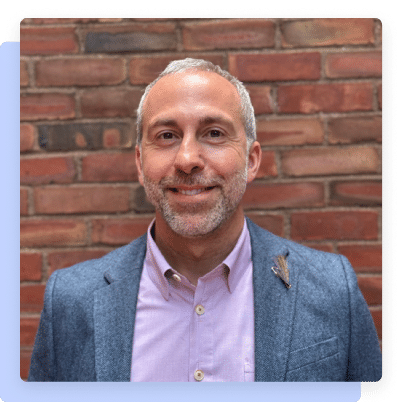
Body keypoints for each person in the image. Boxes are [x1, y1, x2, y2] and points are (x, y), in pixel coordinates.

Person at [28, 58, 382, 382]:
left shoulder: (333, 289)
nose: (187, 159)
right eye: (166, 136)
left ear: (252, 160)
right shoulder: (71, 301)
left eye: (214, 133)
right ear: (139, 163)